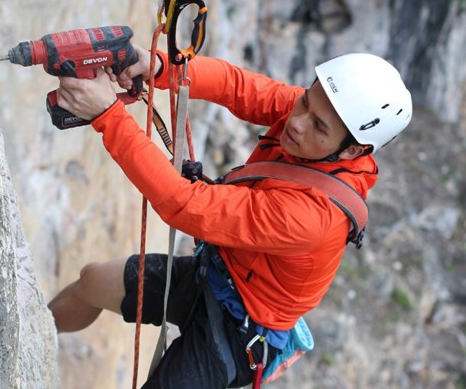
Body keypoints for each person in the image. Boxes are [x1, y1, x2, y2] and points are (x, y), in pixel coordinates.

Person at [48, 46, 412, 388]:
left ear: (352, 150)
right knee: (93, 281)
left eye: (318, 126)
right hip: (218, 273)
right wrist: (159, 66)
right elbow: (237, 87)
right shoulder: (315, 118)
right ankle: (33, 329)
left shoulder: (313, 217)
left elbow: (185, 205)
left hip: (240, 331)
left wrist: (108, 116)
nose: (297, 122)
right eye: (303, 101)